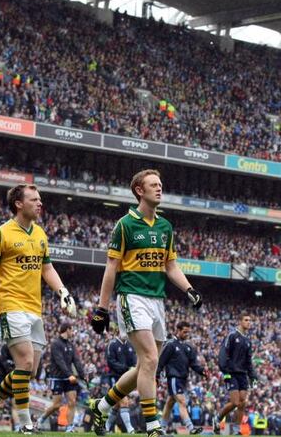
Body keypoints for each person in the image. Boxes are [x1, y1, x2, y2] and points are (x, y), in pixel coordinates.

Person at [89, 169, 203, 437]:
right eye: (154, 185)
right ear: (140, 190)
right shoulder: (125, 225)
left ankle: (101, 406)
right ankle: (152, 426)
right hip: (132, 297)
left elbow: (171, 266)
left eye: (161, 184)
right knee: (151, 359)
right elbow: (111, 267)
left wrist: (189, 289)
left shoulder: (165, 227)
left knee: (143, 366)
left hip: (157, 301)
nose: (159, 188)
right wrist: (102, 309)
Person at [0, 184, 76, 434]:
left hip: (34, 308)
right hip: (10, 305)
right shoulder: (1, 234)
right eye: (34, 199)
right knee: (26, 362)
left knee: (29, 371)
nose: (40, 203)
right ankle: (25, 424)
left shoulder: (40, 233)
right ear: (19, 204)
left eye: (40, 199)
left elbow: (47, 268)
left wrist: (63, 292)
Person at [37, 322, 86, 432]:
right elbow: (60, 361)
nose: (72, 332)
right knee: (56, 405)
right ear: (67, 330)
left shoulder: (70, 345)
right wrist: (69, 375)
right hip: (58, 377)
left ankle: (69, 427)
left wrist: (82, 375)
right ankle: (40, 420)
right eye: (71, 330)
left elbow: (76, 361)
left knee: (72, 402)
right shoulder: (55, 343)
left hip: (69, 378)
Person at [158, 321, 204, 434]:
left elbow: (194, 364)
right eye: (184, 332)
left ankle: (161, 428)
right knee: (182, 401)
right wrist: (156, 375)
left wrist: (203, 372)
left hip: (183, 379)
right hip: (174, 377)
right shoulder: (170, 344)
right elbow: (161, 362)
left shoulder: (189, 347)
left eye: (188, 332)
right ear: (177, 330)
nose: (187, 334)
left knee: (169, 403)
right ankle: (191, 428)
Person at [213, 313, 255, 435]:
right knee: (235, 402)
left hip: (243, 374)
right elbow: (223, 354)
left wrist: (253, 376)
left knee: (243, 403)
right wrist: (224, 371)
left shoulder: (247, 341)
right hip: (231, 373)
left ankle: (237, 430)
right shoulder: (232, 336)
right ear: (240, 321)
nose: (249, 322)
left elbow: (249, 361)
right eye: (246, 320)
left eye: (250, 320)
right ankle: (217, 418)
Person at [105, 324, 136, 433]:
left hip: (127, 378)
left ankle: (106, 426)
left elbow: (134, 361)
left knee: (116, 405)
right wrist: (126, 368)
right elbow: (111, 362)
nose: (128, 334)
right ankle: (130, 429)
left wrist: (134, 369)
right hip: (115, 377)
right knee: (124, 402)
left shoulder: (130, 345)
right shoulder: (112, 344)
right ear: (119, 331)